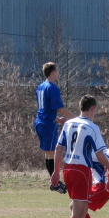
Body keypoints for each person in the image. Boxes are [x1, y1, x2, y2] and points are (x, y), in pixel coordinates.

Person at [51, 95, 109, 218]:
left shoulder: (68, 123)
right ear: (93, 108)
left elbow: (58, 148)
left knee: (81, 210)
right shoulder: (92, 127)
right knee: (78, 212)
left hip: (68, 169)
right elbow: (100, 154)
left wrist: (56, 172)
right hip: (81, 171)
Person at [35, 62, 75, 194]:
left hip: (41, 122)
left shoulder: (40, 87)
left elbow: (45, 108)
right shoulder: (52, 88)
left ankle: (54, 183)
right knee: (52, 153)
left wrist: (57, 119)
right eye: (57, 71)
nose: (58, 74)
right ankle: (55, 183)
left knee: (48, 153)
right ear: (52, 72)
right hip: (47, 124)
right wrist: (77, 119)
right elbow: (60, 108)